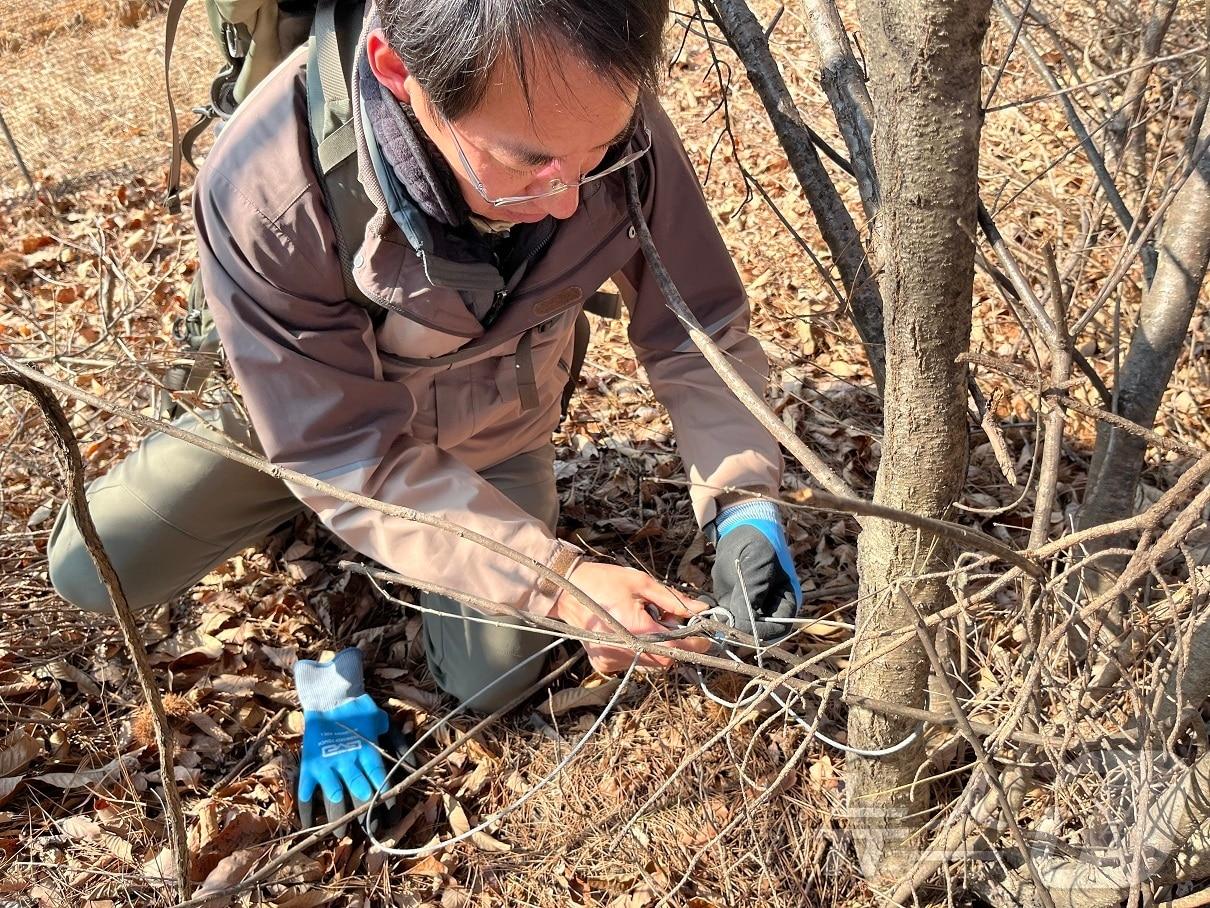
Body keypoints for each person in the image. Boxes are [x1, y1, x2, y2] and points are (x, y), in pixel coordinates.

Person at [46, 0, 801, 828]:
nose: (567, 198)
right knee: (92, 567)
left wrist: (745, 499)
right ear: (397, 72)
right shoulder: (267, 183)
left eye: (597, 157)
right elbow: (339, 451)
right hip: (303, 424)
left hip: (491, 425)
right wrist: (560, 580)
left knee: (493, 680)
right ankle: (279, 506)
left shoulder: (598, 109)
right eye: (529, 163)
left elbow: (700, 327)